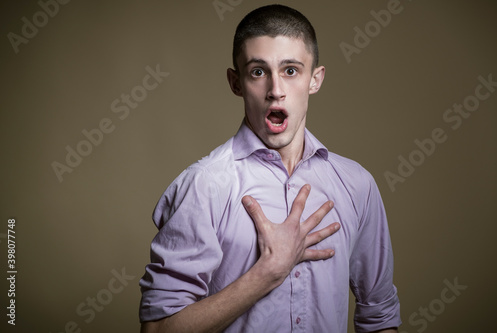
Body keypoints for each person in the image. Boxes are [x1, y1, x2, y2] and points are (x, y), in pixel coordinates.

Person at [139, 4, 401, 333]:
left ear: (315, 79)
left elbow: (379, 318)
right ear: (236, 82)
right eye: (258, 72)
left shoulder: (357, 185)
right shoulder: (205, 185)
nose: (276, 90)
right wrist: (268, 272)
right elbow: (157, 330)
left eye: (291, 70)